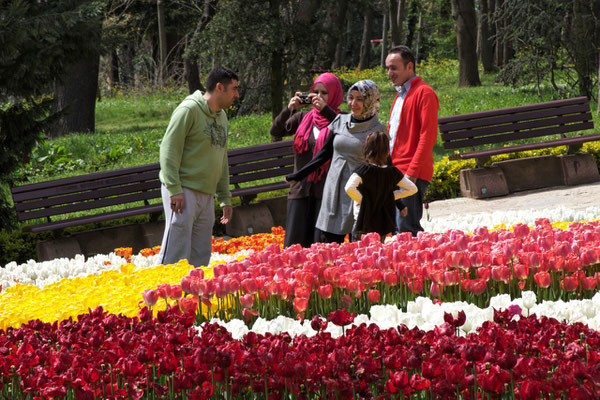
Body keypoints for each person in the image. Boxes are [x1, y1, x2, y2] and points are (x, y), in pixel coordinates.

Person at [158, 66, 240, 267]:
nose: (237, 95)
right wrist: (175, 189)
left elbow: (221, 159)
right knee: (175, 254)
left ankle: (193, 297)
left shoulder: (222, 117)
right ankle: (164, 294)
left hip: (206, 194)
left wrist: (224, 198)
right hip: (182, 191)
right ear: (220, 87)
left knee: (201, 256)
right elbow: (168, 151)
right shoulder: (188, 110)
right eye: (234, 89)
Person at [286, 80, 385, 244]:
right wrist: (298, 175)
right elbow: (323, 155)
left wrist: (398, 201)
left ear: (370, 100)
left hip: (361, 191)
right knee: (330, 244)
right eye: (351, 98)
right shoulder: (341, 122)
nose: (353, 103)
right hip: (335, 190)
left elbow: (385, 165)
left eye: (360, 99)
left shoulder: (377, 130)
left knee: (361, 245)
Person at [270, 73, 343, 247]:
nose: (318, 97)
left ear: (334, 95)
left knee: (321, 247)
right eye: (315, 92)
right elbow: (276, 131)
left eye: (324, 93)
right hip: (300, 189)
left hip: (326, 192)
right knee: (294, 245)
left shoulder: (340, 119)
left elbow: (346, 132)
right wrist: (289, 109)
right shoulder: (303, 118)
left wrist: (326, 109)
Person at [385, 45, 439, 236]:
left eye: (394, 68)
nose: (390, 73)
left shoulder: (424, 93)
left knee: (407, 230)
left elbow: (428, 136)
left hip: (410, 173)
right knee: (398, 230)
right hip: (396, 172)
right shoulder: (400, 95)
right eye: (388, 68)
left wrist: (412, 175)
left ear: (410, 67)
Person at [344, 130, 417, 241]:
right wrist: (390, 196)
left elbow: (349, 187)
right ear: (387, 152)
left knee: (360, 254)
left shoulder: (364, 171)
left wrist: (363, 200)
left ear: (367, 151)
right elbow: (412, 188)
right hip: (381, 224)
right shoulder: (392, 172)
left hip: (362, 221)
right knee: (378, 254)